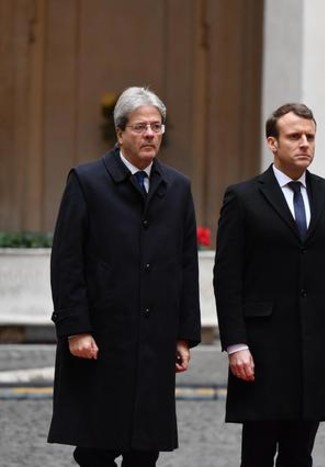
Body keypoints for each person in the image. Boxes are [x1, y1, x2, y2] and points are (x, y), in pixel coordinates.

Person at [48, 86, 202, 466]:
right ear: (120, 133)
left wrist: (184, 334)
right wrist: (76, 328)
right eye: (140, 127)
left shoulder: (178, 188)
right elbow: (66, 261)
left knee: (145, 449)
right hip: (101, 337)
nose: (150, 134)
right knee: (95, 447)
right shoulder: (86, 181)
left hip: (155, 340)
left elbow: (186, 264)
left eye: (156, 126)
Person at [213, 102, 325, 467]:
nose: (305, 144)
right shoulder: (243, 197)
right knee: (259, 454)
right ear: (272, 143)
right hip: (262, 348)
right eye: (295, 136)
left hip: (316, 344)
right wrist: (235, 344)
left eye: (310, 136)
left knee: (300, 454)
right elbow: (227, 276)